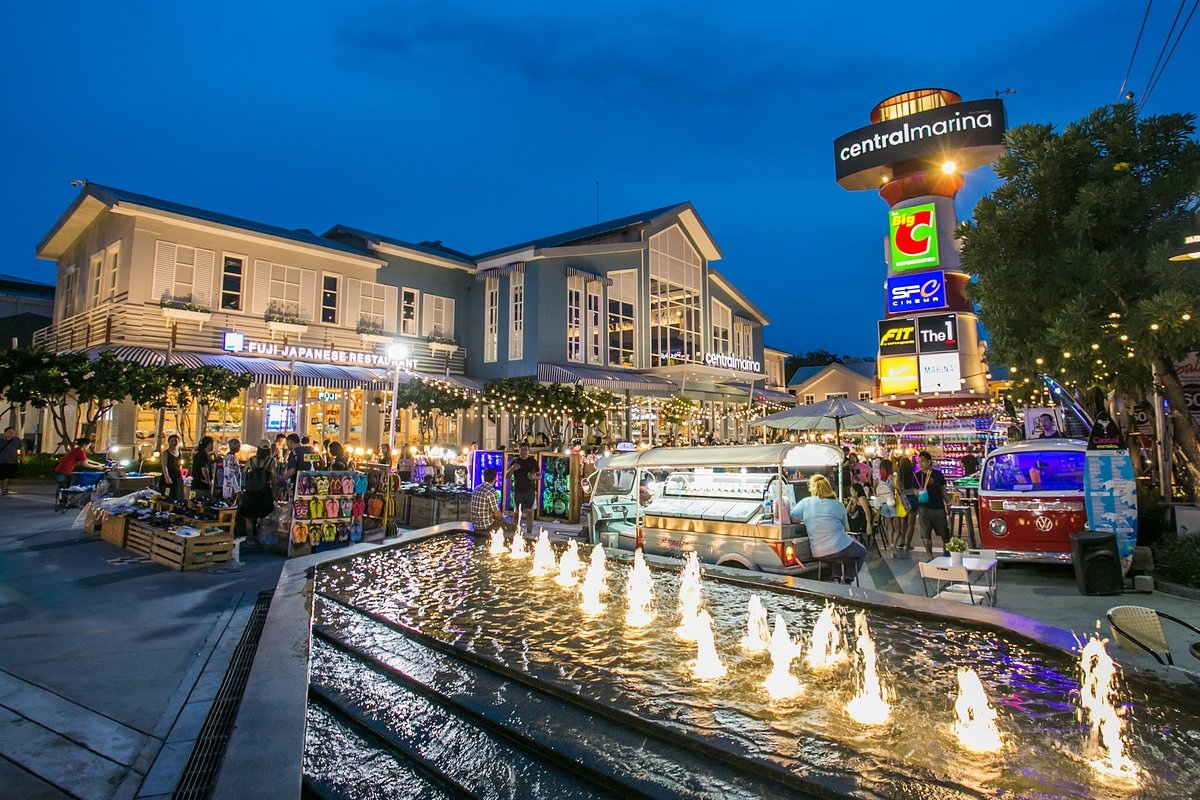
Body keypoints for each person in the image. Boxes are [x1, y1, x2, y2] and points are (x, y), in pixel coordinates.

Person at [789, 474, 867, 583]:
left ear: (812, 488)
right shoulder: (838, 504)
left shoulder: (805, 502)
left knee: (836, 551)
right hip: (839, 547)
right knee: (861, 551)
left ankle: (836, 577)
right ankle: (848, 578)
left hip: (818, 552)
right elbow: (845, 525)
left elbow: (793, 519)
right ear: (829, 488)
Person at [238, 439, 278, 542]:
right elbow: (273, 477)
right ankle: (261, 538)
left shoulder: (251, 460)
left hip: (251, 491)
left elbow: (244, 471)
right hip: (264, 491)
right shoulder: (271, 461)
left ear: (258, 449)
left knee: (249, 517)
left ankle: (250, 539)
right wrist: (275, 491)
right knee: (264, 516)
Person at [915, 450, 949, 560]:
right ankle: (930, 557)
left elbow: (943, 489)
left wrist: (947, 502)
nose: (921, 464)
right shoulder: (917, 476)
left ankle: (946, 553)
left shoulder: (938, 474)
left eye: (923, 461)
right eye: (919, 462)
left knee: (944, 533)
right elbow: (913, 490)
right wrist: (918, 493)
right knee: (925, 534)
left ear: (929, 461)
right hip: (924, 508)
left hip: (938, 507)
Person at [507, 443, 539, 533]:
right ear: (519, 450)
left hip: (530, 491)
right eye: (522, 449)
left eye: (526, 449)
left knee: (529, 514)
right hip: (518, 491)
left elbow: (540, 475)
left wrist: (534, 477)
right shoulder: (515, 461)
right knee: (516, 514)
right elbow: (507, 476)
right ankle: (514, 533)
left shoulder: (533, 462)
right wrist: (512, 469)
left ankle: (529, 534)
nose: (524, 451)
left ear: (529, 451)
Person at [470, 467, 506, 536]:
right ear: (496, 478)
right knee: (504, 523)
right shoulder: (492, 492)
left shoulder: (477, 488)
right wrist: (504, 521)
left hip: (475, 525)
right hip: (486, 526)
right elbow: (497, 514)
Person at [875, 458, 901, 554]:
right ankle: (894, 544)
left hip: (884, 504)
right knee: (898, 528)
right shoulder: (893, 477)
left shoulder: (879, 479)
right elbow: (899, 489)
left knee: (890, 527)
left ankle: (891, 545)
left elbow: (875, 489)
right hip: (893, 503)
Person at [896, 455, 920, 553]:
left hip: (904, 499)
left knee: (904, 521)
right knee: (911, 523)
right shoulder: (913, 474)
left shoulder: (899, 476)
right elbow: (918, 487)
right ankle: (908, 543)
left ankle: (902, 540)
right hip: (913, 498)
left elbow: (898, 488)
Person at [160, 434, 185, 502]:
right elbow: (164, 465)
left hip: (177, 475)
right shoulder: (166, 453)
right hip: (169, 474)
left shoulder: (179, 452)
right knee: (168, 494)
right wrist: (167, 477)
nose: (174, 443)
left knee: (178, 493)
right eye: (172, 441)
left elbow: (180, 464)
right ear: (169, 442)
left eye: (176, 441)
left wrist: (182, 474)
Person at [0, 427, 21, 496]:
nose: (11, 433)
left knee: (10, 477)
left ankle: (6, 488)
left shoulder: (17, 440)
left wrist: (22, 457)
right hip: (2, 461)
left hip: (13, 461)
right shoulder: (1, 440)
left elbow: (22, 448)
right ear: (5, 433)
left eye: (13, 432)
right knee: (4, 476)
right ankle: (4, 489)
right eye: (10, 432)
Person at [222, 438, 244, 504]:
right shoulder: (230, 457)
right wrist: (237, 490)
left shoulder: (231, 457)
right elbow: (230, 474)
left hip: (231, 488)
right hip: (231, 489)